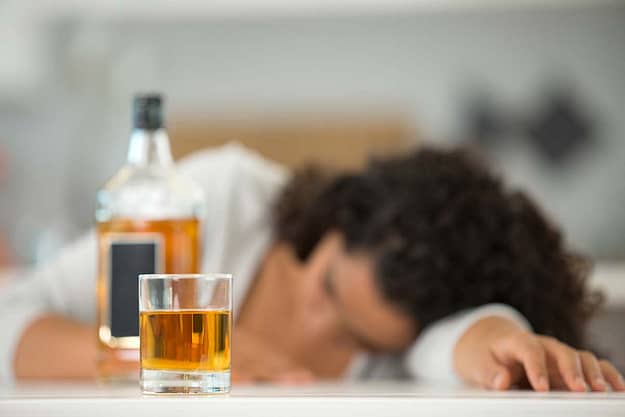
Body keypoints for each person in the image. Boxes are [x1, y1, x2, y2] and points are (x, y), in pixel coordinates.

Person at [1, 143, 622, 392]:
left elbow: (454, 346)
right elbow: (10, 319)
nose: (314, 321)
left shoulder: (419, 345)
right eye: (327, 285)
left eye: (355, 337)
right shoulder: (220, 198)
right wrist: (174, 351)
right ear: (330, 218)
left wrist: (499, 332)